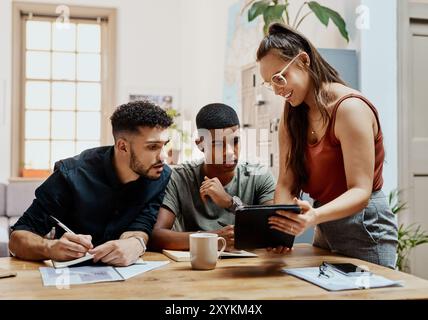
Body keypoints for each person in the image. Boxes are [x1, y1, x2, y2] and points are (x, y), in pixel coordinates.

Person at [256, 23, 398, 268]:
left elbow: (360, 192)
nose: (278, 90)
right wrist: (282, 231)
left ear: (303, 61)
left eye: (280, 77)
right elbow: (286, 183)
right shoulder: (292, 115)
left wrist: (313, 216)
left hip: (365, 225)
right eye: (270, 83)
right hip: (325, 224)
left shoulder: (349, 109)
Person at [9, 100, 173, 267]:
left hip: (130, 281)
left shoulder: (160, 175)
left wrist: (136, 243)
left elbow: (143, 222)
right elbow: (17, 238)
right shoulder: (71, 175)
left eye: (164, 145)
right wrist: (49, 247)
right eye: (153, 147)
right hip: (68, 282)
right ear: (122, 146)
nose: (163, 157)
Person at [149, 103, 276, 251]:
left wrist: (230, 203)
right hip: (195, 267)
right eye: (218, 144)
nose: (229, 152)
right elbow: (156, 236)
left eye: (235, 142)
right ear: (200, 145)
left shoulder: (259, 175)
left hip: (247, 268)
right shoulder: (179, 177)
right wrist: (214, 239)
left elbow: (273, 230)